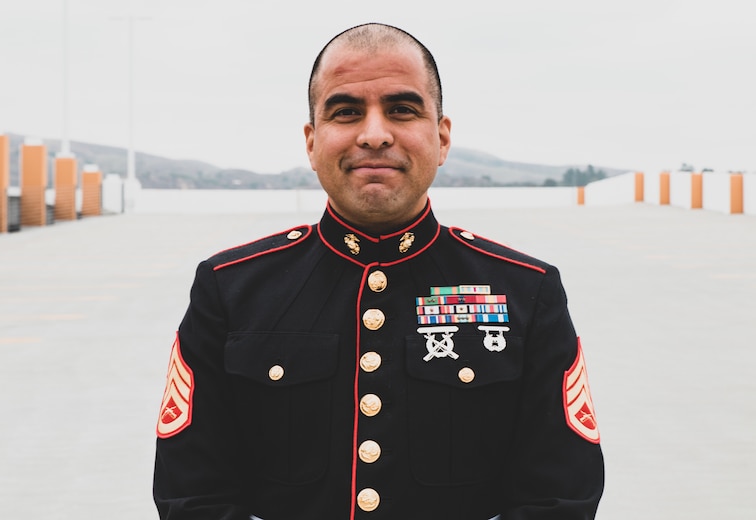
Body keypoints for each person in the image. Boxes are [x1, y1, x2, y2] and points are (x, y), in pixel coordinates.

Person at [153, 23, 604, 519]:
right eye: (346, 112)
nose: (373, 134)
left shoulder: (525, 291)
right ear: (311, 141)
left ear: (442, 137)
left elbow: (562, 498)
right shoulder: (231, 288)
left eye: (402, 109)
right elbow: (191, 496)